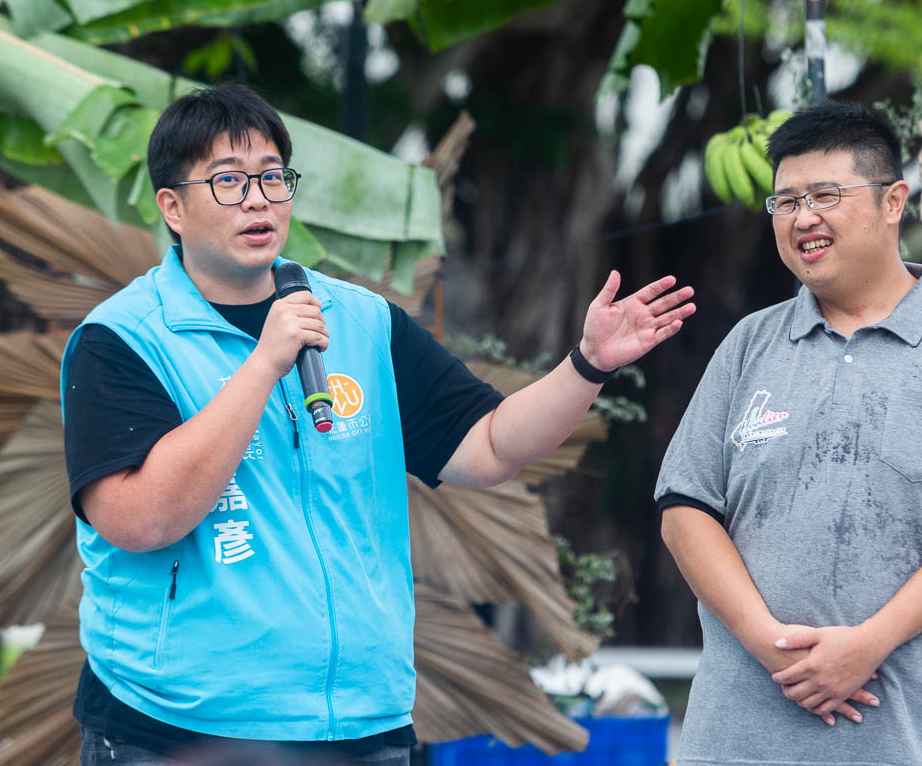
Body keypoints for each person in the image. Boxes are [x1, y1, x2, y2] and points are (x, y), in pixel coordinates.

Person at [61, 83, 695, 765]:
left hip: (361, 723)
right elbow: (140, 520)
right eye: (227, 181)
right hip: (180, 731)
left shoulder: (358, 321)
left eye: (274, 177)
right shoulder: (122, 341)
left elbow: (487, 446)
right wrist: (263, 364)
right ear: (172, 207)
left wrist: (588, 364)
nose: (257, 199)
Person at [656, 102, 922, 765]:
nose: (803, 217)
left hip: (912, 742)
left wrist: (868, 644)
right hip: (737, 742)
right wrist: (772, 644)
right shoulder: (750, 344)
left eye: (825, 196)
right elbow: (685, 510)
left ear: (894, 201)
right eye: (785, 201)